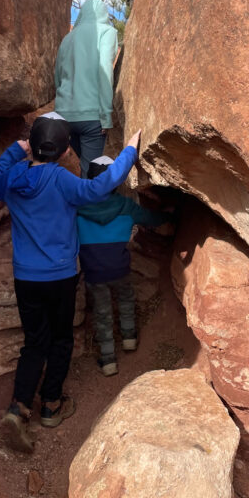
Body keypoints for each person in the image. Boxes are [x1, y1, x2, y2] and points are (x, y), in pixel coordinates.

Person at [0, 113, 142, 452]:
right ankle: (51, 404)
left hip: (26, 276)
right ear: (67, 150)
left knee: (34, 343)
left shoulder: (13, 179)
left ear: (32, 147)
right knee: (61, 340)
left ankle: (18, 407)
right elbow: (100, 186)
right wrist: (129, 151)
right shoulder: (63, 181)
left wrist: (14, 152)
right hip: (61, 277)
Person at [77, 155, 171, 376]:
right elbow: (150, 218)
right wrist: (166, 216)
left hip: (93, 270)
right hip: (119, 267)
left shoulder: (78, 208)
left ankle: (108, 359)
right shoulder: (126, 206)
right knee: (126, 300)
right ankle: (129, 339)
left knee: (102, 312)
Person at [54, 0, 118, 175]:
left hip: (64, 115)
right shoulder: (107, 32)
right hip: (91, 116)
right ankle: (88, 202)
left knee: (83, 163)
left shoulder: (67, 38)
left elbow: (58, 75)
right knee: (90, 172)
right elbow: (105, 69)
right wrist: (106, 114)